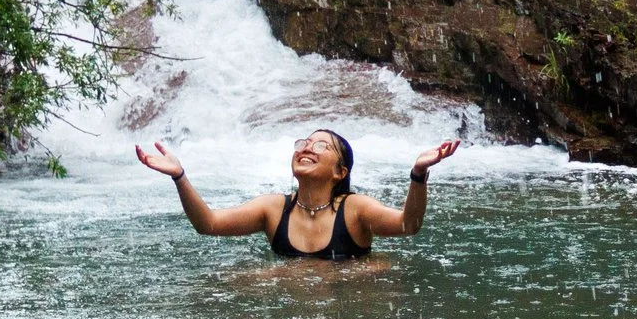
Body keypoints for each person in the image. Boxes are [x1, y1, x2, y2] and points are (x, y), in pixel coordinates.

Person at [135, 130, 458, 260]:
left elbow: (408, 225)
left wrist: (418, 174)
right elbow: (208, 225)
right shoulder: (274, 208)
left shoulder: (355, 209)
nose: (307, 147)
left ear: (339, 172)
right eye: (304, 142)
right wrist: (179, 176)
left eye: (321, 145)